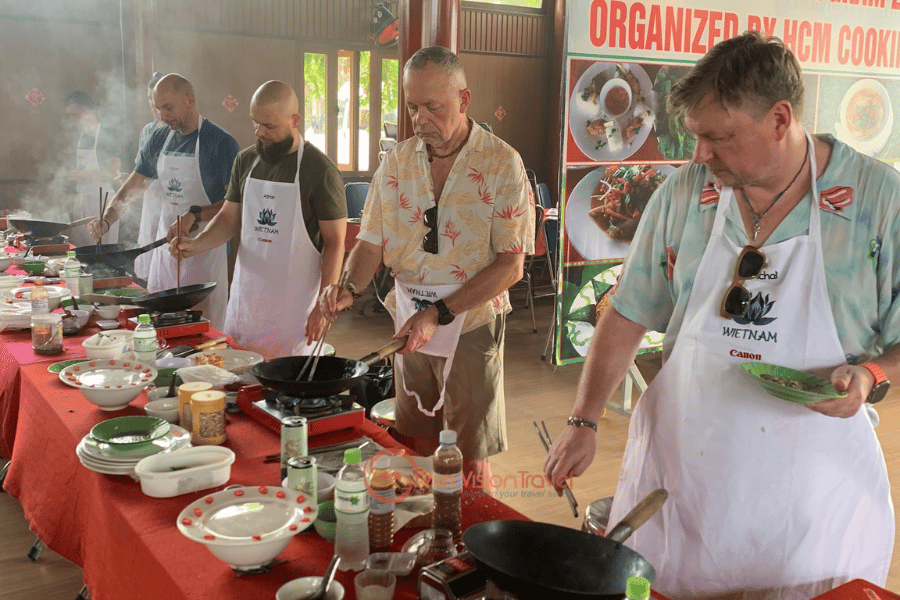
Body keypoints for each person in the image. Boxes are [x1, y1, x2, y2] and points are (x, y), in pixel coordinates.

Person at [544, 31, 895, 599]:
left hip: (806, 502)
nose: (700, 154)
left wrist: (872, 376)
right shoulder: (686, 194)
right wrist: (583, 420)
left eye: (718, 137)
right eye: (696, 137)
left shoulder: (877, 203)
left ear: (780, 120)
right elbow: (628, 312)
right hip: (684, 484)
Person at [320, 46, 534, 487]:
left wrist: (438, 313)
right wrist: (349, 287)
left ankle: (472, 542)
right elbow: (370, 244)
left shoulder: (501, 164)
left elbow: (511, 266)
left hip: (470, 324)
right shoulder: (396, 163)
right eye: (413, 107)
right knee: (415, 444)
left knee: (468, 457)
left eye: (433, 107)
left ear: (464, 98)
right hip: (408, 323)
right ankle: (427, 532)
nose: (420, 120)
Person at [168, 80, 346, 358]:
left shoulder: (319, 171)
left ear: (294, 120)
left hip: (294, 310)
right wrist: (197, 244)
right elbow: (228, 218)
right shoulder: (246, 161)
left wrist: (322, 307)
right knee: (237, 376)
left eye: (269, 126)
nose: (259, 132)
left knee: (284, 383)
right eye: (255, 123)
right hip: (247, 300)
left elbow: (335, 243)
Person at [90, 74, 239, 329]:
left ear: (190, 100)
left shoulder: (220, 143)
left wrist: (196, 214)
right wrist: (106, 219)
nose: (163, 116)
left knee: (201, 337)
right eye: (159, 108)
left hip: (203, 255)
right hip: (164, 252)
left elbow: (234, 206)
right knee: (160, 332)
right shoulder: (159, 139)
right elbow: (131, 188)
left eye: (168, 108)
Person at [115, 71, 166, 283]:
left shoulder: (181, 130)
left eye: (159, 101)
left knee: (167, 261)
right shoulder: (147, 131)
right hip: (150, 203)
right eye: (149, 100)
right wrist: (129, 179)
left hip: (172, 202)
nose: (153, 106)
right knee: (148, 262)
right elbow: (141, 169)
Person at [64, 91, 121, 246]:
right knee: (80, 251)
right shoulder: (81, 136)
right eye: (69, 116)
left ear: (88, 110)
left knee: (101, 252)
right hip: (82, 200)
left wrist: (85, 175)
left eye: (74, 115)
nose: (72, 120)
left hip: (102, 203)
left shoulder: (105, 135)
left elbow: (114, 175)